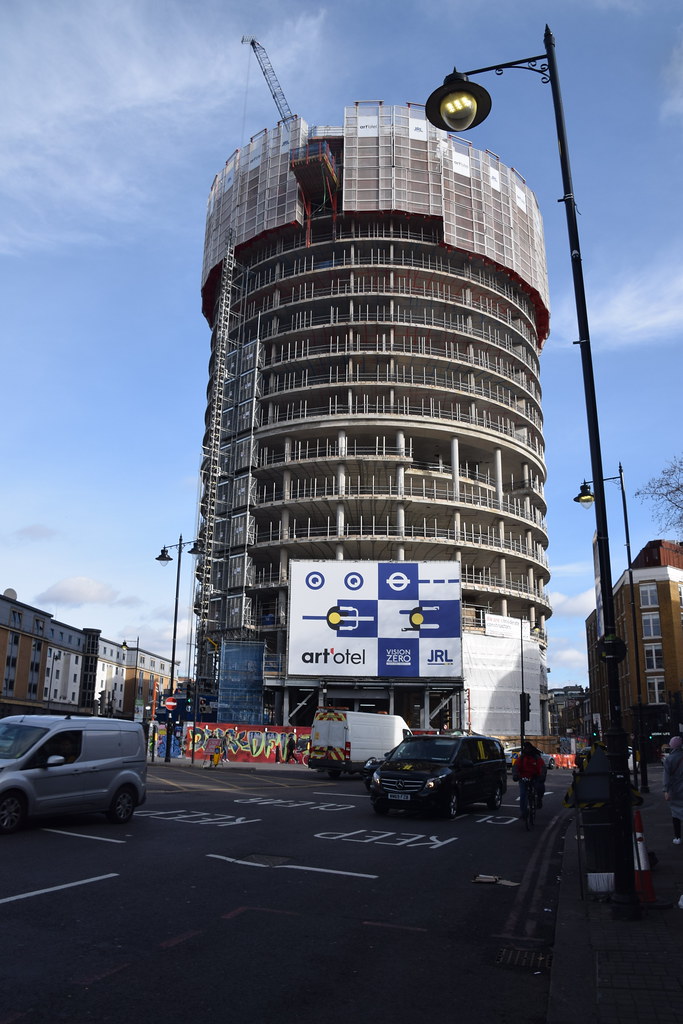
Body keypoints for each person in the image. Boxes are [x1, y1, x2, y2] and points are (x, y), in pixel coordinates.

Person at [513, 741, 545, 819]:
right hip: (524, 777)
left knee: (539, 787)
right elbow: (516, 767)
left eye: (528, 748)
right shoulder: (522, 758)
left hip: (535, 776)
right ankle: (523, 812)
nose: (526, 750)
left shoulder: (536, 758)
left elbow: (542, 768)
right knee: (523, 794)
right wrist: (515, 775)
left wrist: (542, 777)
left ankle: (539, 799)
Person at [663, 735, 683, 845]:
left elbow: (666, 776)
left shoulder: (669, 759)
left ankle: (678, 837)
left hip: (675, 789)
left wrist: (666, 790)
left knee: (675, 814)